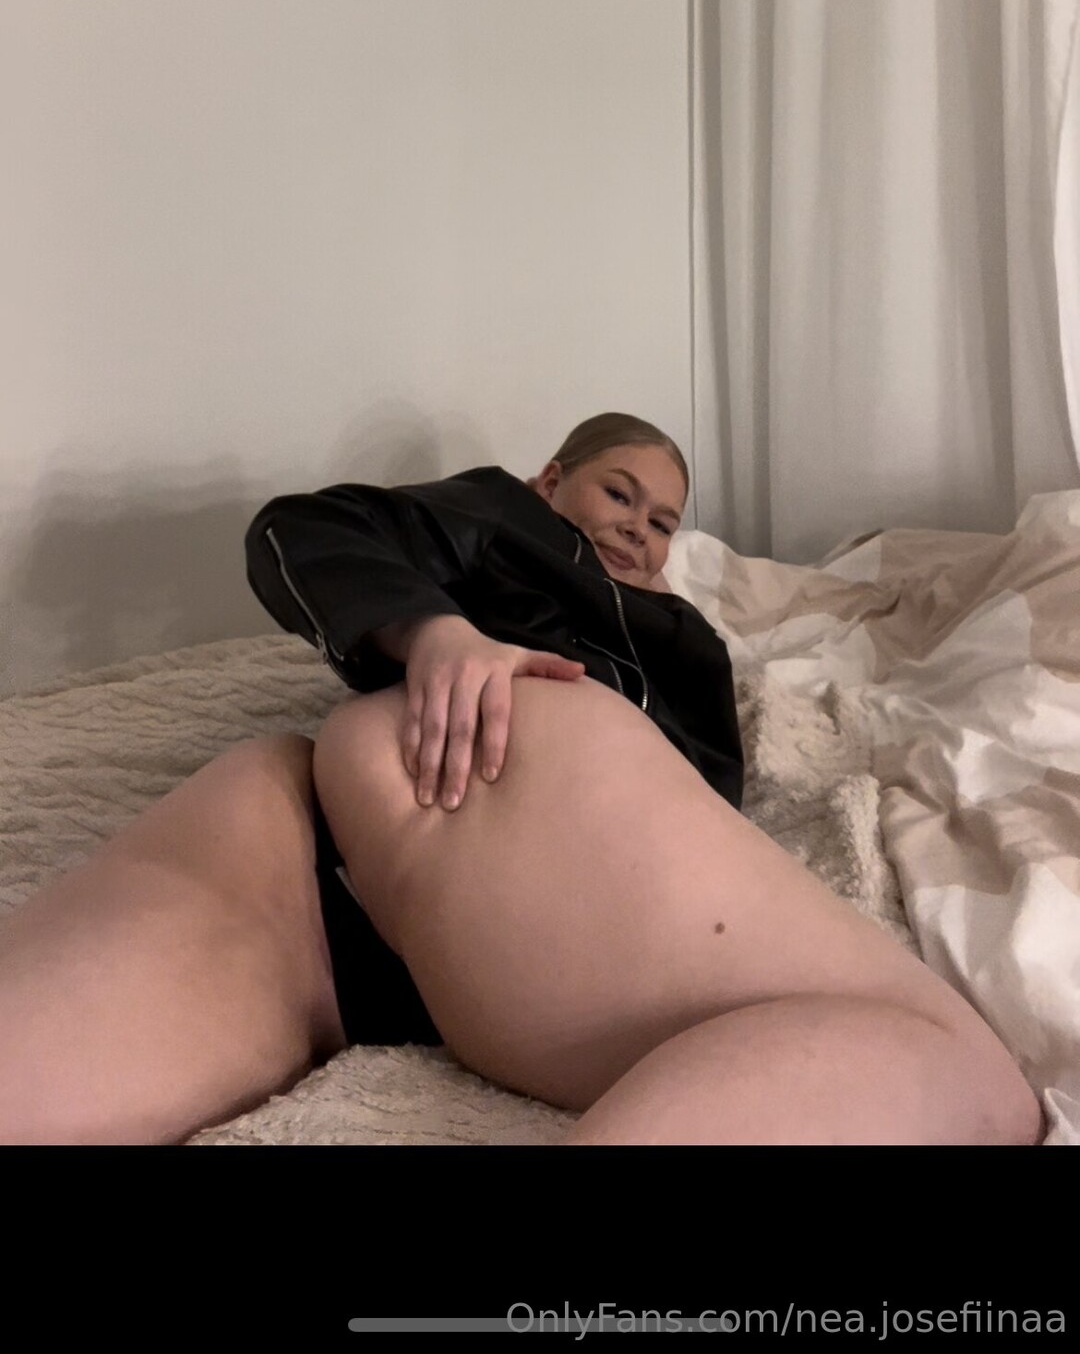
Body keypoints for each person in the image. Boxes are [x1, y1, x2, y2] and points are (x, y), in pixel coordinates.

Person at [0, 413, 1043, 1147]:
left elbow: (695, 814)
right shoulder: (499, 518)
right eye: (618, 491)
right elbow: (302, 529)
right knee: (962, 1073)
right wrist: (436, 633)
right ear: (549, 483)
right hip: (303, 854)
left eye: (664, 520)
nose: (638, 526)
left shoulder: (687, 639)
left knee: (966, 1078)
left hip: (524, 907)